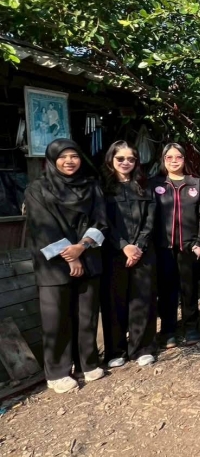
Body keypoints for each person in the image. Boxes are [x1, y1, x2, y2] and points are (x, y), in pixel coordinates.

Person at [24, 139, 107, 393]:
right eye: (63, 156)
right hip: (53, 263)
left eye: (74, 156)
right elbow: (42, 226)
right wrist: (71, 256)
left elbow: (101, 221)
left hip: (88, 255)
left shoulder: (91, 186)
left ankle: (87, 363)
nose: (69, 161)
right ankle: (58, 372)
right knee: (56, 317)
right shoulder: (37, 189)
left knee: (86, 314)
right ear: (51, 160)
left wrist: (81, 247)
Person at [100, 140, 158, 368]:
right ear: (111, 160)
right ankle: (115, 350)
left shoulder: (144, 186)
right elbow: (102, 221)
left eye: (131, 159)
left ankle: (142, 347)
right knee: (114, 301)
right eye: (120, 158)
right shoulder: (102, 188)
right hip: (114, 252)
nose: (126, 163)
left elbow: (150, 219)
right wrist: (123, 245)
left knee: (143, 299)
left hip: (143, 252)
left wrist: (138, 246)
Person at [149, 143, 200, 348]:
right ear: (163, 160)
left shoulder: (196, 184)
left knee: (189, 289)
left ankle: (191, 328)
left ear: (184, 159)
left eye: (178, 157)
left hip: (189, 247)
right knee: (166, 291)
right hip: (163, 248)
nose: (174, 161)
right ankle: (168, 330)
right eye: (169, 157)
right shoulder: (154, 184)